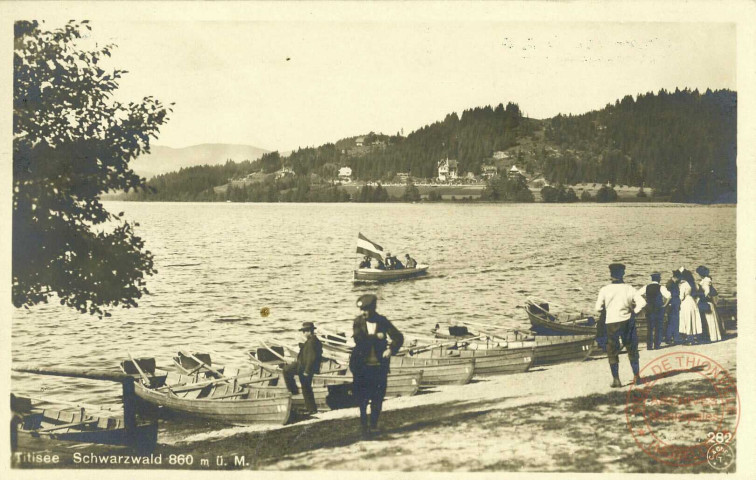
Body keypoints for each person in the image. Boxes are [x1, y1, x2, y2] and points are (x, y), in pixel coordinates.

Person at [349, 294, 404, 438]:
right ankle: (363, 426)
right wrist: (377, 337)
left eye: (366, 309)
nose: (363, 313)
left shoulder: (382, 321)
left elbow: (399, 337)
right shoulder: (357, 322)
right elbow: (359, 339)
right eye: (361, 310)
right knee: (362, 398)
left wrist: (390, 349)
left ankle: (373, 424)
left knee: (378, 397)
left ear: (373, 308)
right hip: (362, 367)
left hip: (379, 367)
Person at [595, 263, 646, 387]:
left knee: (612, 349)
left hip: (611, 322)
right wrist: (634, 311)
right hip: (627, 320)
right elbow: (642, 302)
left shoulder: (605, 289)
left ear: (611, 274)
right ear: (623, 274)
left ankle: (616, 380)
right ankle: (637, 376)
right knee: (631, 348)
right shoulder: (629, 288)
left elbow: (597, 308)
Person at [282, 322, 323, 414]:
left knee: (306, 389)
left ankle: (311, 409)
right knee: (287, 370)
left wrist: (307, 371)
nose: (303, 334)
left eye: (304, 331)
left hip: (305, 368)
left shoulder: (312, 342)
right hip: (302, 366)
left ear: (309, 331)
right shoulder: (312, 340)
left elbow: (311, 357)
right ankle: (295, 391)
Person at [638, 272, 671, 350]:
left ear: (652, 279)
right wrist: (665, 305)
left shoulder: (646, 287)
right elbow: (669, 296)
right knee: (658, 327)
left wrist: (645, 302)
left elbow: (637, 294)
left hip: (649, 309)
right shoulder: (661, 287)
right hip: (658, 309)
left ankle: (649, 346)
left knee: (650, 327)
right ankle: (657, 345)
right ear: (659, 279)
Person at [696, 265, 723, 342]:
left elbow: (707, 291)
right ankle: (714, 336)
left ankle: (712, 337)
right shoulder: (707, 279)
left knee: (709, 319)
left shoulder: (706, 281)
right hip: (709, 301)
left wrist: (702, 297)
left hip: (706, 301)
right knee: (711, 319)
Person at [678, 268, 704, 344]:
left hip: (686, 302)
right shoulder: (694, 284)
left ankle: (689, 338)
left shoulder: (684, 285)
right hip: (693, 302)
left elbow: (681, 297)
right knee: (693, 319)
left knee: (686, 319)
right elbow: (698, 295)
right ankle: (695, 337)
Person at [664, 270, 682, 345]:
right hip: (673, 304)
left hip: (674, 304)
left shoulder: (671, 283)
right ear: (676, 277)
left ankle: (672, 338)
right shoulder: (670, 284)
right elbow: (670, 296)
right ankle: (671, 338)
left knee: (673, 321)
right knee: (673, 321)